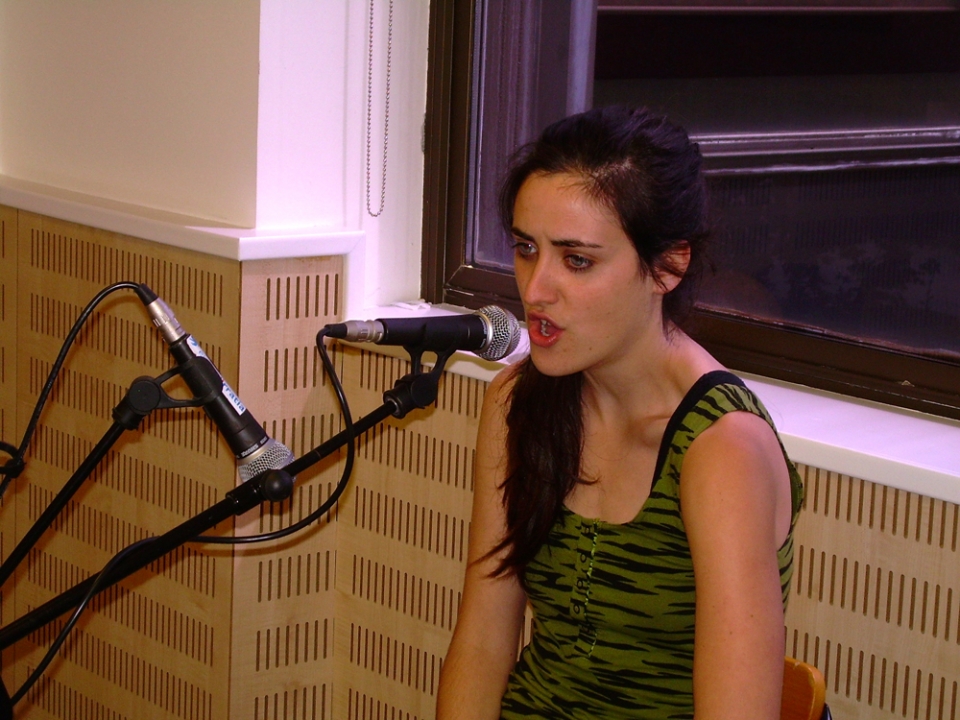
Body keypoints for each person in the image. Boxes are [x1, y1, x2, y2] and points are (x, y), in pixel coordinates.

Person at [435, 105, 805, 720]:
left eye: (576, 260)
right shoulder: (516, 403)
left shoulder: (721, 450)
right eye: (526, 249)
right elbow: (482, 640)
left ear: (669, 266)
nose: (535, 290)